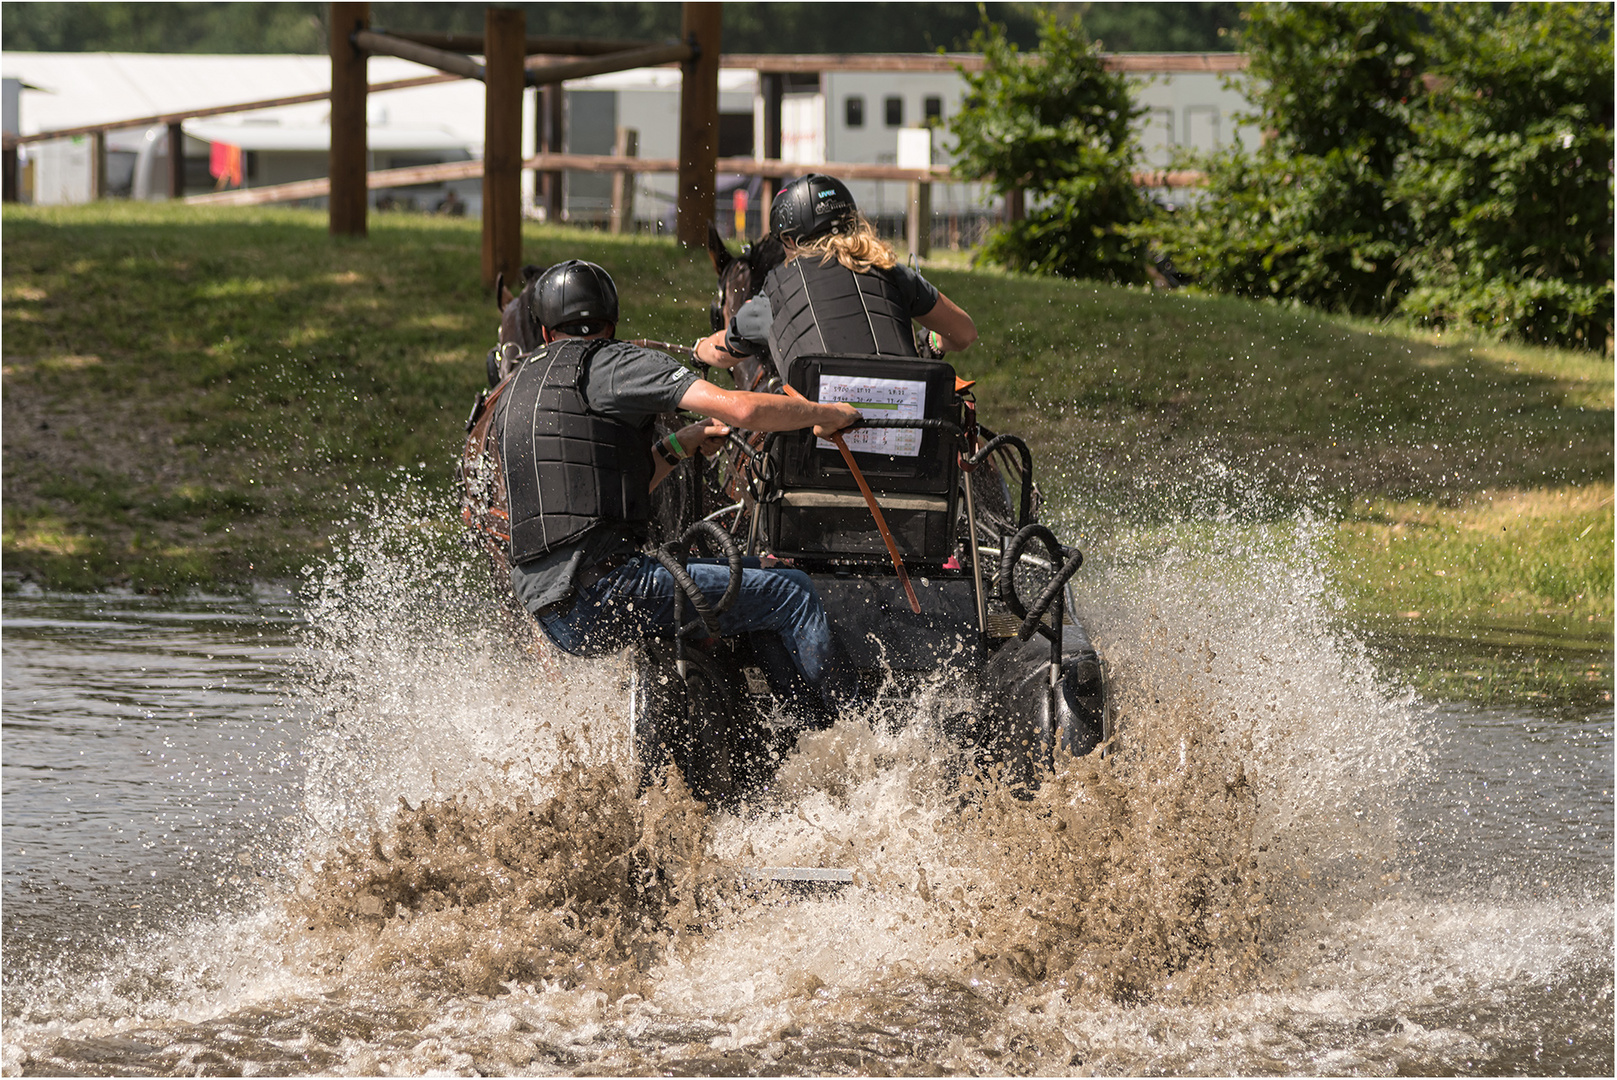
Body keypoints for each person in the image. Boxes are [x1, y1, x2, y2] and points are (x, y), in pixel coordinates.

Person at [494, 259, 862, 708]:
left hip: (553, 611)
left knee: (761, 596)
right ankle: (857, 739)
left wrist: (678, 444)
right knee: (792, 592)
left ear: (548, 332)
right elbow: (741, 410)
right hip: (610, 589)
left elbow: (597, 497)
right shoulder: (613, 362)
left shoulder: (515, 390)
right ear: (610, 325)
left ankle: (786, 736)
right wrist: (829, 414)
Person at [692, 173, 978, 378]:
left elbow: (723, 351)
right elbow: (965, 333)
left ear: (790, 240)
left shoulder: (776, 294)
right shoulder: (891, 271)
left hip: (825, 443)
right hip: (907, 430)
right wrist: (934, 341)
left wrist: (700, 349)